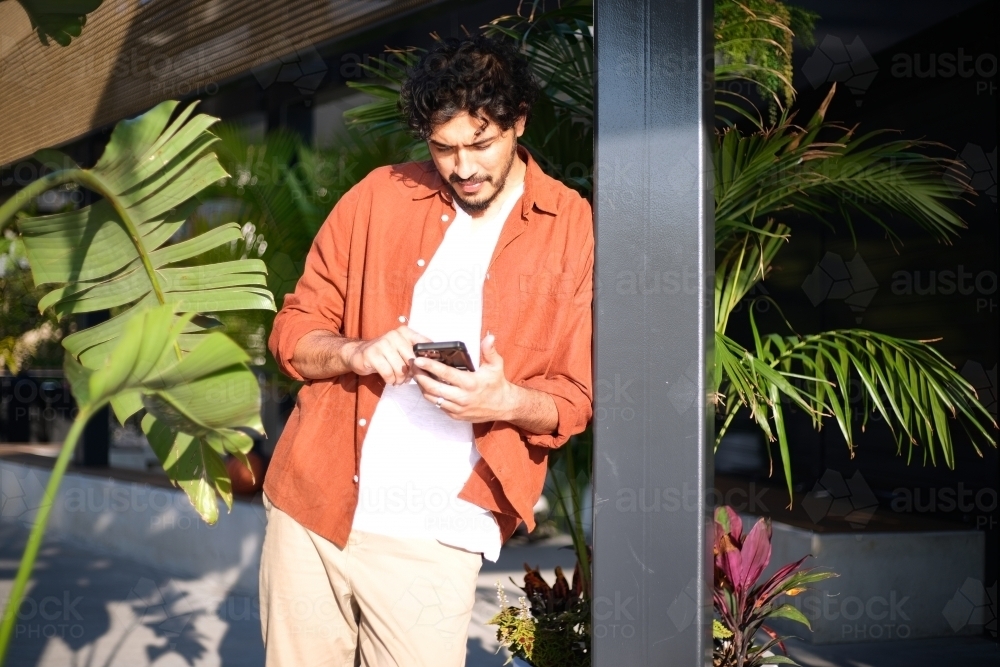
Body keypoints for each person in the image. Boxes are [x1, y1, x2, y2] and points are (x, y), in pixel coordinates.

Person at [259, 34, 594, 666]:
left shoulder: (568, 224)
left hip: (438, 537)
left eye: (481, 143)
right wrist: (357, 352)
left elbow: (573, 401)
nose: (463, 166)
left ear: (518, 122)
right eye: (444, 148)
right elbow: (293, 332)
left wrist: (504, 399)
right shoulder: (380, 195)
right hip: (315, 505)